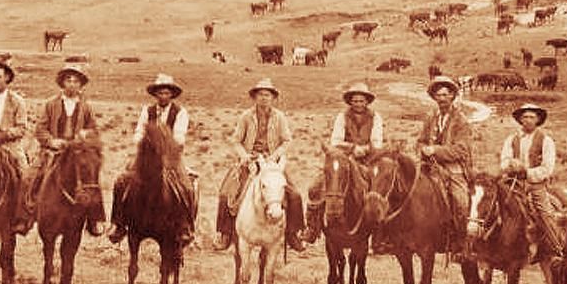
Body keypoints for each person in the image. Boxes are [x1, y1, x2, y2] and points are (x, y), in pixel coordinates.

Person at [215, 79, 307, 254]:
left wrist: (275, 156)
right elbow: (235, 140)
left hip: (272, 164)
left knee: (295, 195)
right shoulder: (246, 116)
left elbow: (287, 140)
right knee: (225, 194)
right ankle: (225, 234)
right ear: (255, 98)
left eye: (267, 95)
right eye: (260, 95)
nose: (264, 98)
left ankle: (293, 233)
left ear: (272, 98)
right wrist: (245, 156)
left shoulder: (279, 117)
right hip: (249, 161)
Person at [108, 73, 196, 247]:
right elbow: (138, 132)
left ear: (172, 94)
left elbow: (179, 137)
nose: (163, 96)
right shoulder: (147, 111)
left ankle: (185, 227)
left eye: (167, 93)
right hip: (146, 157)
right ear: (155, 94)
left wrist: (164, 146)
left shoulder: (180, 112)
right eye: (160, 93)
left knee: (187, 186)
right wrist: (143, 143)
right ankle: (118, 224)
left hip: (171, 157)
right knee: (121, 181)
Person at [22, 64, 107, 236]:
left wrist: (85, 136)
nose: (72, 84)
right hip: (53, 152)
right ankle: (26, 215)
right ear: (62, 83)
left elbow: (94, 130)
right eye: (68, 80)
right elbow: (40, 129)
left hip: (78, 153)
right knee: (30, 176)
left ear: (81, 84)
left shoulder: (86, 107)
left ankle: (95, 220)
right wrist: (51, 141)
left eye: (76, 81)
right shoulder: (50, 104)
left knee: (92, 180)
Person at [306, 81, 383, 242]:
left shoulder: (375, 117)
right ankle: (312, 227)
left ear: (367, 101)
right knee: (316, 186)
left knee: (380, 190)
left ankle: (380, 234)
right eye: (355, 101)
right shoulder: (342, 117)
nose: (358, 104)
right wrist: (352, 148)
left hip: (368, 160)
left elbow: (377, 142)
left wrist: (365, 149)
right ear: (350, 102)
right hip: (344, 158)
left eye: (361, 101)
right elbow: (336, 140)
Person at [497, 102, 566, 264]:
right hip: (512, 182)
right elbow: (504, 160)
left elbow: (547, 168)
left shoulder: (546, 140)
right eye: (525, 117)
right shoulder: (511, 139)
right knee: (492, 203)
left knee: (544, 212)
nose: (528, 120)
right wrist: (510, 165)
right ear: (520, 120)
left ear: (538, 120)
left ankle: (557, 248)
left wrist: (527, 172)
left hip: (535, 183)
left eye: (532, 117)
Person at [416, 76, 474, 256]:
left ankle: (461, 243)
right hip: (429, 165)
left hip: (453, 168)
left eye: (445, 95)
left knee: (461, 201)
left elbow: (461, 150)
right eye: (438, 95)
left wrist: (435, 150)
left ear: (452, 96)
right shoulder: (430, 117)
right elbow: (420, 140)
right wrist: (422, 149)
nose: (441, 98)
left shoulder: (461, 120)